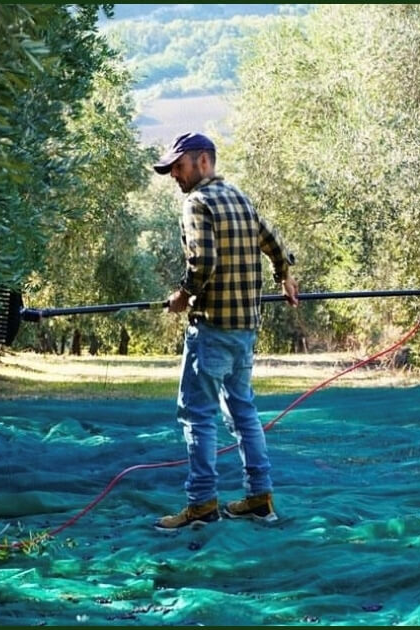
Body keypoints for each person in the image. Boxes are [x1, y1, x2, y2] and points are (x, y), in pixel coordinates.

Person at [152, 132, 299, 530]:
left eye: (177, 167)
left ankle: (201, 504)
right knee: (244, 414)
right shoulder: (240, 198)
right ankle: (259, 497)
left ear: (203, 161)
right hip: (245, 331)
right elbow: (273, 242)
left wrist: (183, 295)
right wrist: (285, 276)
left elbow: (203, 262)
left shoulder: (197, 202)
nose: (174, 177)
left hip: (212, 328)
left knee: (197, 416)